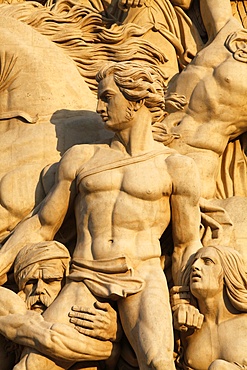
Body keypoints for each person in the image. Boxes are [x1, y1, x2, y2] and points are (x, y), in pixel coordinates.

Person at [0, 61, 202, 370]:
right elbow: (42, 224)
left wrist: (185, 299)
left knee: (159, 363)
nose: (98, 107)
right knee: (29, 367)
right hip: (84, 276)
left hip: (142, 278)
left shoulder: (175, 167)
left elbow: (186, 244)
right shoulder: (81, 158)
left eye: (107, 97)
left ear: (136, 100)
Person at [0, 242, 118, 370]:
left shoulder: (87, 313)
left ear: (65, 286)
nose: (39, 289)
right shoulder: (9, 307)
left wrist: (116, 332)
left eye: (51, 281)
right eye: (31, 282)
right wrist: (112, 349)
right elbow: (51, 340)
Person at [173, 245, 247, 370]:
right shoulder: (186, 329)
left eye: (207, 261)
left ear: (227, 272)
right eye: (194, 261)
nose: (194, 266)